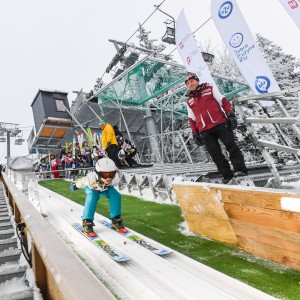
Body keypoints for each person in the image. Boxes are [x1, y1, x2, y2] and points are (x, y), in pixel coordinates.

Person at [185, 72, 248, 184]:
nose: (190, 84)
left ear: (197, 81)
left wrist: (230, 114)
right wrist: (195, 133)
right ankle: (227, 176)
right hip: (204, 130)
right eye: (188, 83)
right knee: (215, 154)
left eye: (192, 81)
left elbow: (223, 101)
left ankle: (240, 170)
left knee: (231, 146)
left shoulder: (210, 89)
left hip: (219, 123)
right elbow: (192, 119)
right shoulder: (189, 101)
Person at [70, 157, 127, 236]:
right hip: (91, 188)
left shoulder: (114, 179)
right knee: (93, 196)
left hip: (105, 188)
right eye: (105, 175)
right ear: (98, 174)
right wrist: (75, 185)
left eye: (111, 174)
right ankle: (87, 221)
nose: (108, 178)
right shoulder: (90, 179)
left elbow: (111, 183)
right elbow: (81, 181)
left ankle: (116, 218)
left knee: (115, 195)